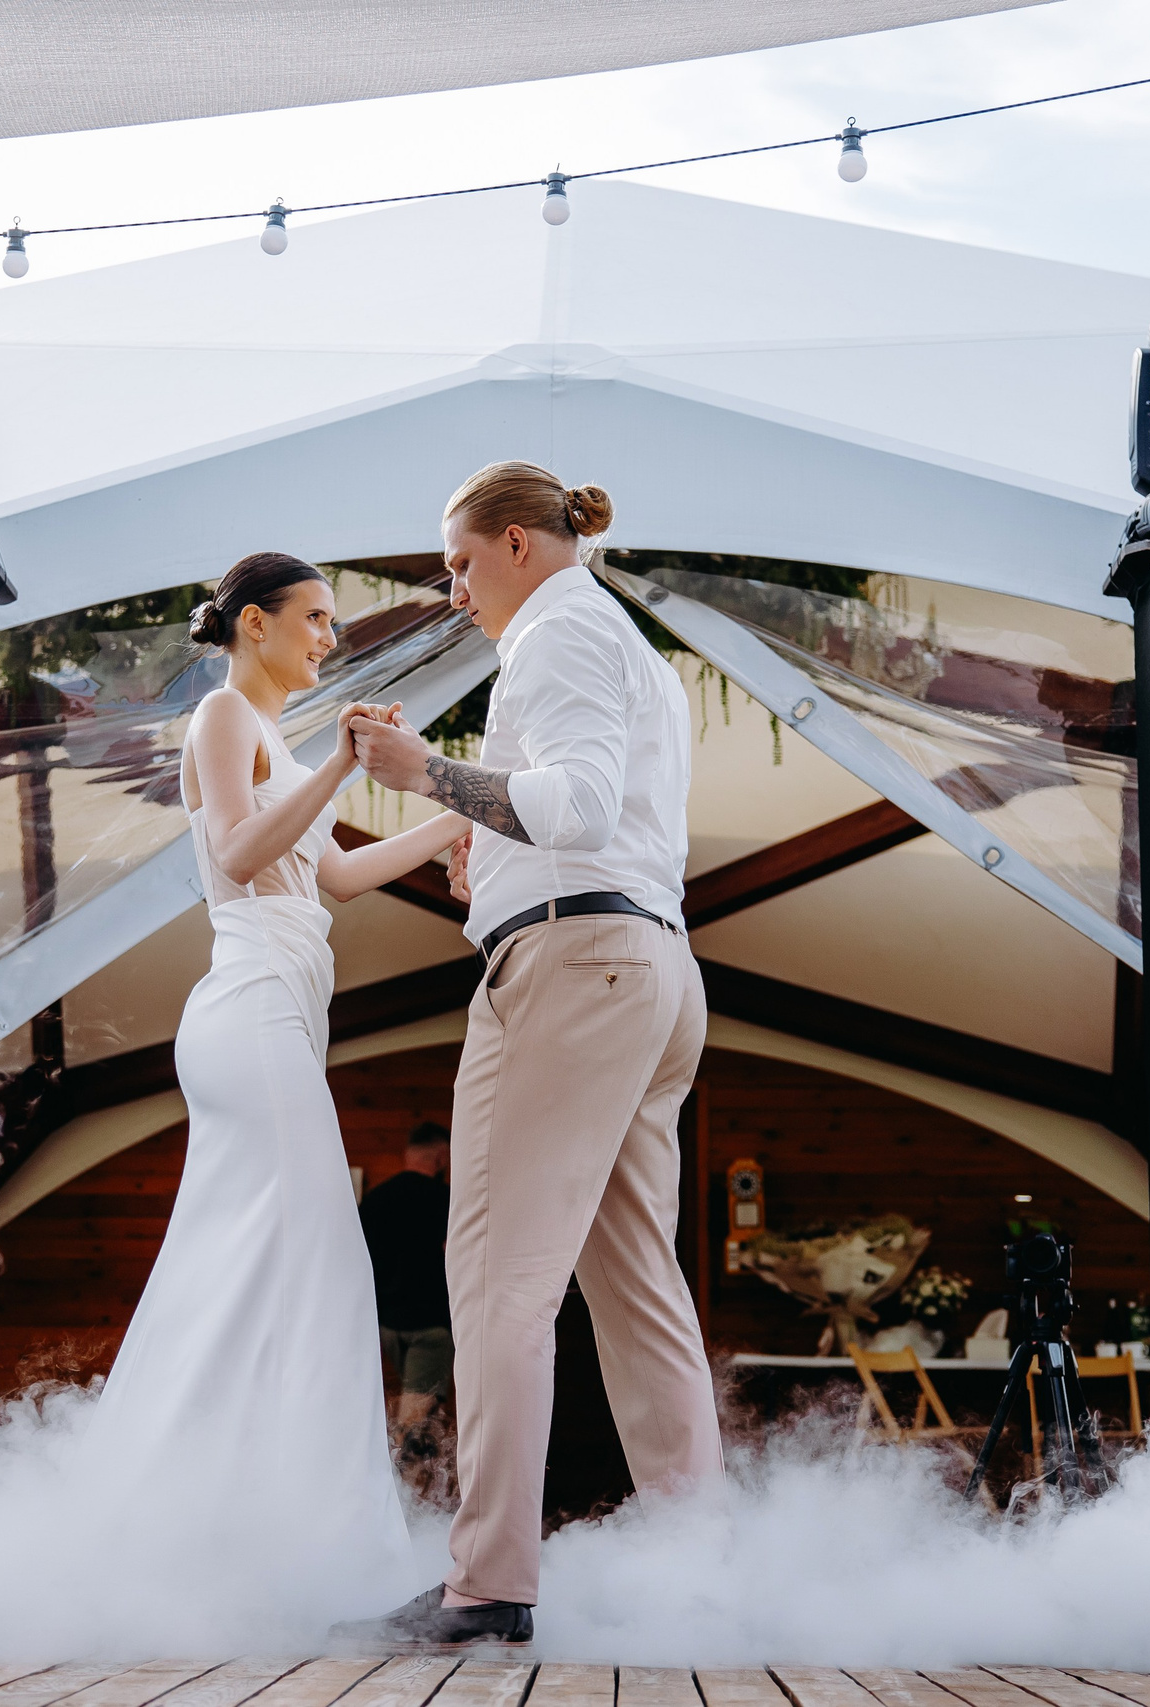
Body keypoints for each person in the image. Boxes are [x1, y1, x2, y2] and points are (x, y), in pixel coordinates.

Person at [334, 464, 721, 1650]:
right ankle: (697, 1573)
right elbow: (595, 817)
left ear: (512, 544)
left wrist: (423, 779)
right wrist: (479, 843)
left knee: (498, 1281)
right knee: (638, 1290)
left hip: (567, 973)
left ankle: (487, 1578)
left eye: (456, 565)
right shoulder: (631, 651)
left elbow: (579, 807)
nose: (453, 593)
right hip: (649, 968)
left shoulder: (554, 635)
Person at [80, 550, 473, 1620]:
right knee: (327, 1272)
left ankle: (205, 1524)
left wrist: (462, 815)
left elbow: (333, 876)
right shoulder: (221, 719)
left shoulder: (271, 739)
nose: (326, 638)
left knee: (252, 1271)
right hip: (248, 1011)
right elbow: (240, 854)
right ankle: (322, 1544)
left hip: (281, 1019)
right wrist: (340, 769)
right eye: (312, 618)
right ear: (252, 623)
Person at [360, 1124, 454, 1442]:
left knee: (408, 1421)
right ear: (442, 1156)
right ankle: (406, 1490)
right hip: (430, 1327)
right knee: (416, 1428)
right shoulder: (447, 1201)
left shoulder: (374, 1201)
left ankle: (407, 1486)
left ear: (407, 1153)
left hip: (387, 1326)